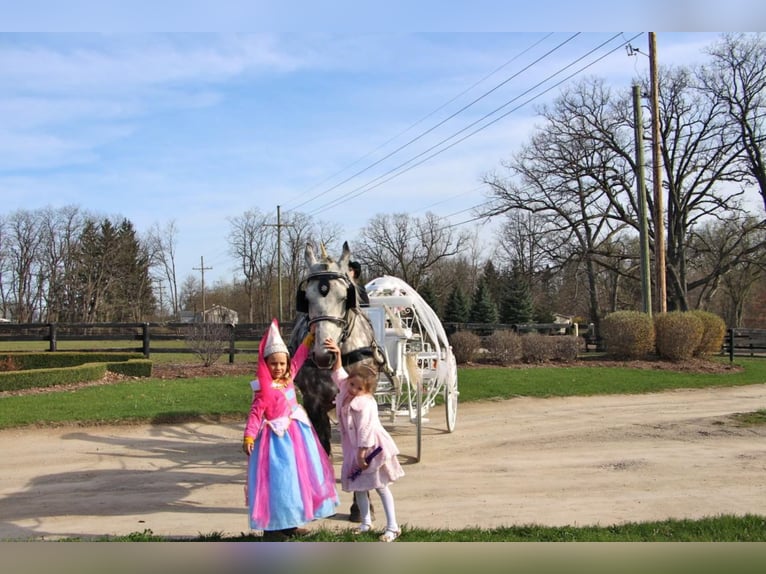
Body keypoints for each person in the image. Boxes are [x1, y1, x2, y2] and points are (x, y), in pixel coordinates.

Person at [242, 319, 338, 541]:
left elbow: (300, 356)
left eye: (282, 364)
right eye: (273, 364)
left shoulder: (288, 376)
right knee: (279, 482)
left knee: (295, 481)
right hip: (275, 444)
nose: (279, 368)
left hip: (296, 438)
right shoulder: (263, 389)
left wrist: (310, 337)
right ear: (265, 364)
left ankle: (291, 522)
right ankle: (273, 527)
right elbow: (256, 413)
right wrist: (249, 435)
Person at [324, 336, 405, 542]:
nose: (352, 389)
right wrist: (338, 354)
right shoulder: (346, 391)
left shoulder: (365, 404)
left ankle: (393, 526)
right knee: (359, 486)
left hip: (371, 449)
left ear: (367, 390)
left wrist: (362, 453)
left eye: (358, 388)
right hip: (354, 449)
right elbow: (338, 374)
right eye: (351, 384)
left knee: (380, 485)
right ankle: (366, 522)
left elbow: (366, 430)